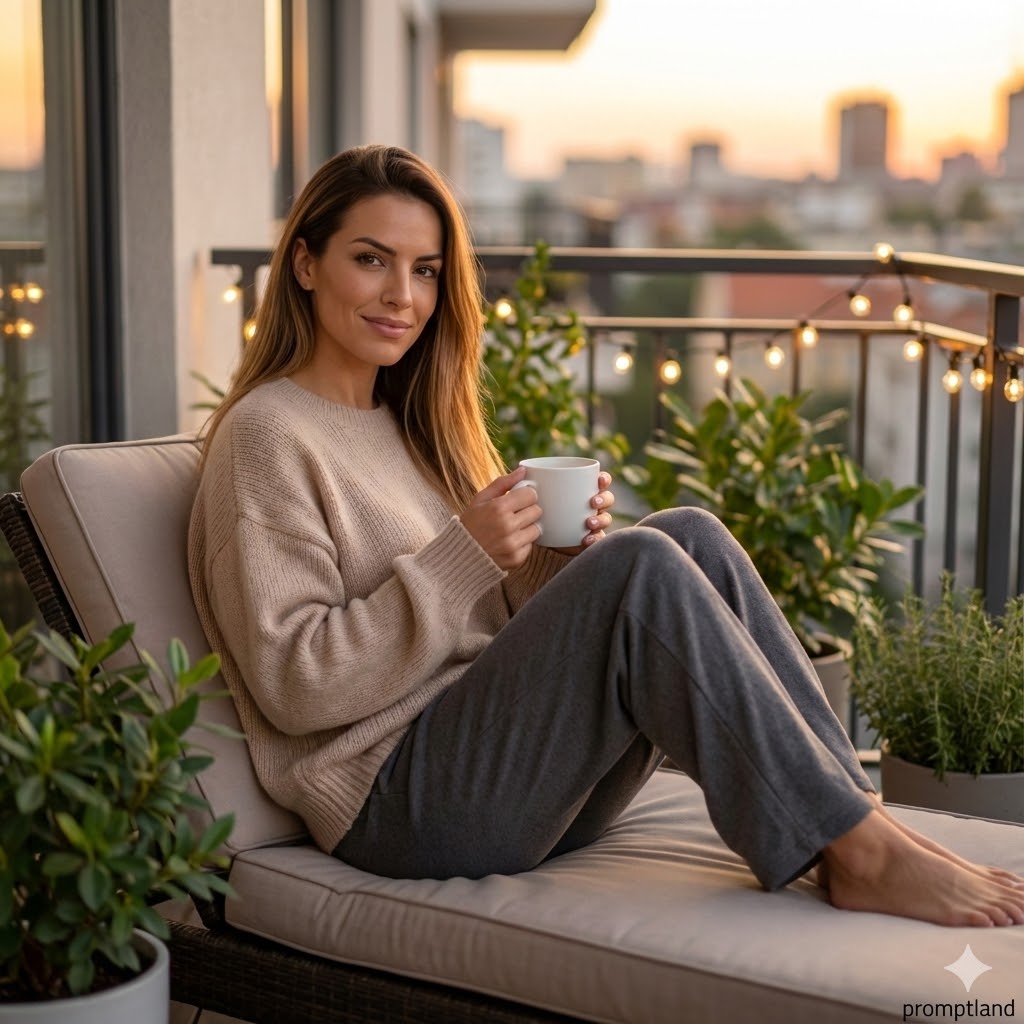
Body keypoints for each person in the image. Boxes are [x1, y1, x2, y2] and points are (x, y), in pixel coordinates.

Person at [188, 143, 1024, 928]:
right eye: (370, 259)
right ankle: (864, 852)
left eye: (426, 270)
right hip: (399, 806)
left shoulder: (408, 423)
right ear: (305, 263)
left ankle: (857, 825)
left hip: (507, 779)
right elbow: (295, 685)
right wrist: (463, 555)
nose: (401, 296)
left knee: (683, 533)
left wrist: (546, 564)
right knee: (640, 566)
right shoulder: (268, 436)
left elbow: (484, 634)